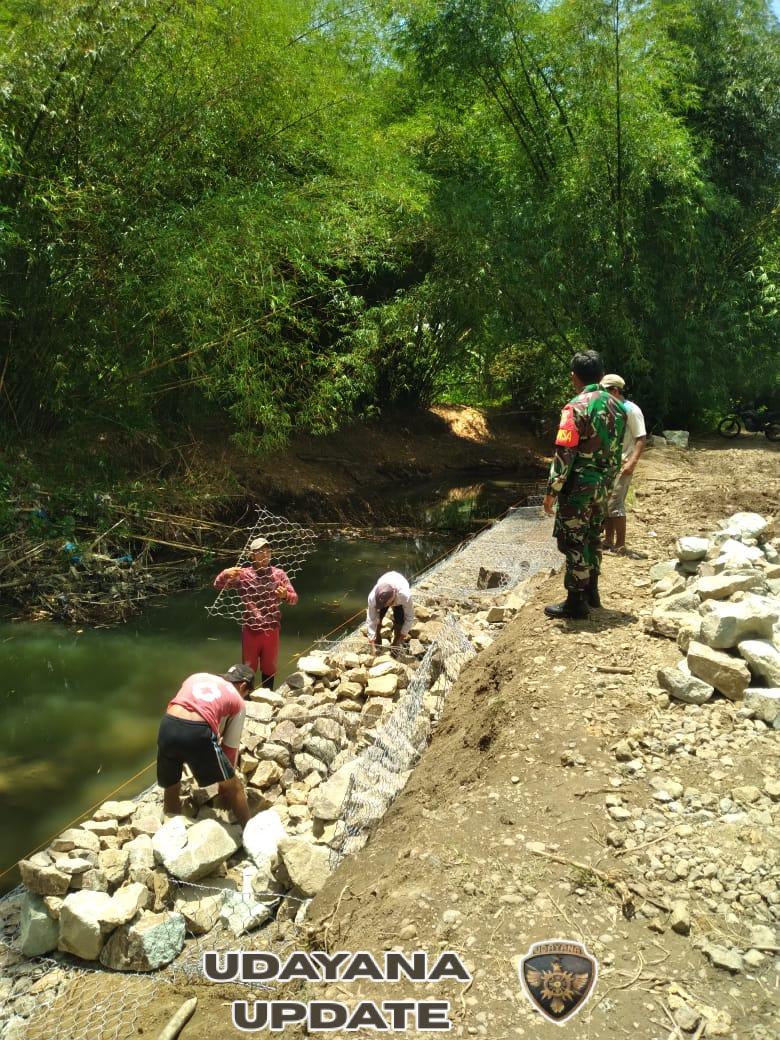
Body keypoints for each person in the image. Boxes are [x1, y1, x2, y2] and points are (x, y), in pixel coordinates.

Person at [543, 351, 626, 619]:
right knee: (593, 536)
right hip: (604, 486)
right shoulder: (618, 407)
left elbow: (564, 453)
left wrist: (552, 491)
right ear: (602, 376)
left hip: (579, 488)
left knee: (573, 541)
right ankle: (592, 591)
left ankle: (575, 602)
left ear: (573, 377)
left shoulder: (575, 408)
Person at [157, 663, 255, 827]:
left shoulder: (197, 676)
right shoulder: (238, 701)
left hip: (167, 725)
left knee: (172, 786)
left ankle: (171, 833)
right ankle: (250, 833)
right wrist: (225, 787)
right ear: (243, 686)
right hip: (197, 731)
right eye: (247, 693)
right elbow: (230, 749)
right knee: (235, 787)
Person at [214, 537, 298, 689]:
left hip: (272, 630)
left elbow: (294, 599)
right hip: (250, 631)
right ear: (251, 555)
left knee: (269, 668)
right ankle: (248, 702)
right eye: (260, 552)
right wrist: (225, 573)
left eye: (268, 551)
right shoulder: (242, 575)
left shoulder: (278, 574)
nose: (265, 554)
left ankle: (269, 696)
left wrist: (285, 595)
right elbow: (218, 586)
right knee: (247, 671)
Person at [600, 374, 647, 556]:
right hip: (610, 464)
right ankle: (607, 541)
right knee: (606, 504)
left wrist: (632, 462)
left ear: (615, 391)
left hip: (624, 462)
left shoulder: (631, 410)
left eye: (605, 392)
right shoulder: (611, 409)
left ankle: (620, 546)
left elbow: (641, 438)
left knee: (615, 504)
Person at [367, 572, 414, 653]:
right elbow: (371, 619)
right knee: (377, 619)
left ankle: (395, 644)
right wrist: (372, 641)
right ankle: (378, 644)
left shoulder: (405, 596)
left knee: (400, 620)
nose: (385, 606)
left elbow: (409, 617)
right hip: (385, 580)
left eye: (387, 604)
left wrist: (402, 636)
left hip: (399, 588)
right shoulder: (372, 598)